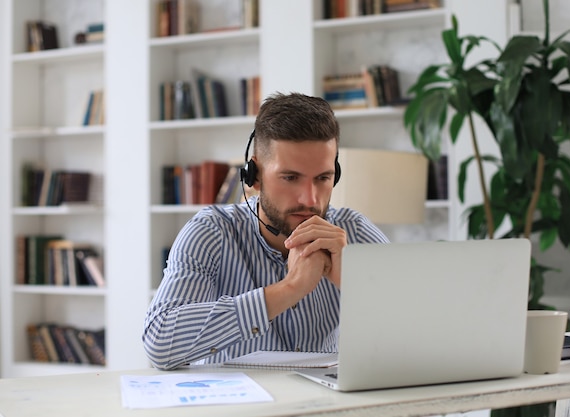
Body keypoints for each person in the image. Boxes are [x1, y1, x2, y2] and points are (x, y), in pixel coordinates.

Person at [142, 92, 389, 370]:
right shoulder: (210, 231)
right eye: (290, 178)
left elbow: (420, 334)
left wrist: (358, 285)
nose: (309, 199)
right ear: (254, 176)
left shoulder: (355, 232)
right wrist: (289, 288)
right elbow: (160, 343)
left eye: (322, 178)